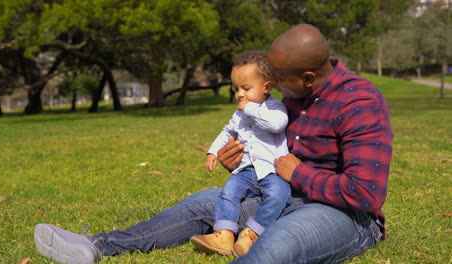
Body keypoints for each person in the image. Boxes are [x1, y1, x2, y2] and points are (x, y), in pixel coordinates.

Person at [34, 24, 393, 264]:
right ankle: (97, 246)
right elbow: (267, 149)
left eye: (279, 80)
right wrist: (237, 160)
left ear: (309, 77)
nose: (273, 87)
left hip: (343, 215)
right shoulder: (292, 96)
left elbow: (366, 194)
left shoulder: (359, 102)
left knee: (277, 244)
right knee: (202, 202)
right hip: (278, 194)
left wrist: (299, 174)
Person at [190, 51, 291, 257]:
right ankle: (224, 235)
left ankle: (251, 235)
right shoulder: (239, 113)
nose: (239, 94)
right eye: (236, 89)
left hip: (272, 170)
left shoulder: (274, 107)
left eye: (246, 88)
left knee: (280, 194)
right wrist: (213, 152)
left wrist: (251, 108)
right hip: (246, 169)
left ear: (267, 87)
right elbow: (227, 131)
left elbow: (277, 124)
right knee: (228, 192)